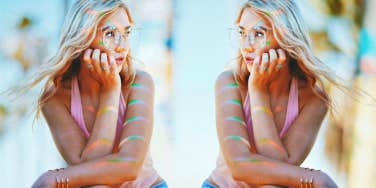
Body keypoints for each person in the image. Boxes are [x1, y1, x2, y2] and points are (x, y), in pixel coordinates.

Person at [204, 0, 341, 187]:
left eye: (259, 34)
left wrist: (259, 93)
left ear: (286, 37)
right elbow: (238, 166)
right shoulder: (229, 83)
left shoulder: (314, 100)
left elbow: (279, 173)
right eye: (242, 33)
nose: (247, 46)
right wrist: (316, 178)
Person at [29, 0, 166, 187]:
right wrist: (109, 93)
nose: (122, 46)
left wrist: (53, 178)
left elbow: (130, 167)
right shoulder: (55, 98)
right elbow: (89, 174)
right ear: (83, 37)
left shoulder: (139, 83)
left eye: (126, 33)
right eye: (110, 34)